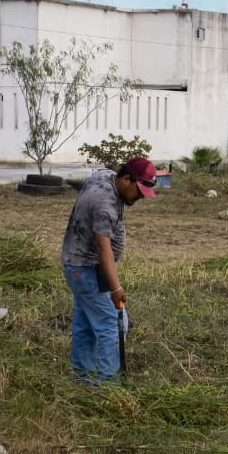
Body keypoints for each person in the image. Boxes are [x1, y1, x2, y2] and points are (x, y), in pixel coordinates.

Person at [60, 157, 156, 383]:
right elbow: (104, 248)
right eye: (139, 191)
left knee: (85, 322)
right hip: (85, 268)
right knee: (112, 324)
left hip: (79, 263)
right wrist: (116, 288)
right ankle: (107, 384)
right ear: (125, 179)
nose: (140, 197)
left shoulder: (106, 176)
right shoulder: (104, 204)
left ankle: (82, 376)